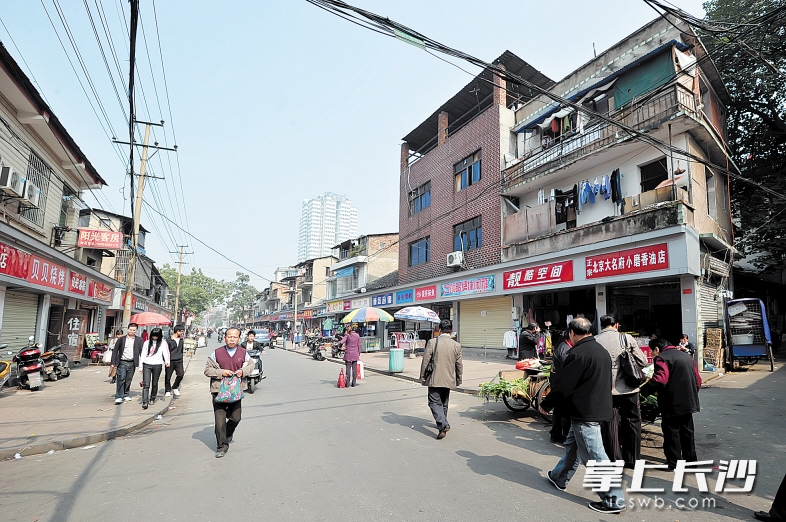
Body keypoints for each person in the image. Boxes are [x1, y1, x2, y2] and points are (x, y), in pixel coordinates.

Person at [542, 317, 626, 514]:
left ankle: (613, 498)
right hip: (596, 408)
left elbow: (563, 385)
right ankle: (559, 477)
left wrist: (546, 404)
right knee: (572, 446)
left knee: (595, 456)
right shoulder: (601, 351)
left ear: (572, 333)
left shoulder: (578, 353)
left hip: (585, 412)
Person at [595, 314, 648, 469]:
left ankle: (614, 458)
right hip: (629, 389)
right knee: (632, 422)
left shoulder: (596, 341)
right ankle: (632, 460)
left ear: (601, 326)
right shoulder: (627, 339)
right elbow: (643, 361)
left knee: (610, 423)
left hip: (606, 390)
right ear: (616, 325)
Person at [649, 337, 702, 470]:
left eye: (652, 351)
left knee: (672, 432)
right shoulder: (687, 356)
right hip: (688, 400)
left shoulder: (662, 358)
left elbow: (660, 380)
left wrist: (646, 388)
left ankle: (674, 462)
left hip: (671, 401)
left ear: (657, 349)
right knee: (687, 432)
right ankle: (691, 461)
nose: (652, 354)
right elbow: (698, 380)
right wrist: (692, 393)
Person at [204, 327, 254, 458]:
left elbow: (251, 365)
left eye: (235, 337)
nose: (232, 339)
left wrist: (243, 372)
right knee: (219, 422)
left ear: (239, 338)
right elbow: (207, 370)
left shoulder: (243, 353)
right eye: (229, 337)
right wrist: (221, 373)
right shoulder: (216, 353)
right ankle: (222, 446)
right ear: (225, 338)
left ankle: (228, 432)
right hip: (219, 391)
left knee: (236, 418)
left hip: (236, 391)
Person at [419, 319, 463, 440]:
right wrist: (459, 378)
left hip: (435, 377)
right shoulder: (456, 345)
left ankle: (443, 424)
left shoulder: (432, 342)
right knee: (444, 402)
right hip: (449, 378)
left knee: (433, 402)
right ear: (452, 330)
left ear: (439, 329)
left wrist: (422, 376)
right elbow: (459, 364)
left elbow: (425, 361)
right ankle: (442, 423)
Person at [110, 323, 144, 405]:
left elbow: (142, 352)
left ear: (136, 331)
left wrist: (142, 364)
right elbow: (115, 351)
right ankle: (119, 396)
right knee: (121, 378)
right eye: (130, 329)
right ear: (127, 329)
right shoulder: (121, 339)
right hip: (122, 362)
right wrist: (113, 363)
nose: (132, 331)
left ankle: (126, 394)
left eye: (134, 330)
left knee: (128, 380)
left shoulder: (139, 340)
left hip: (132, 362)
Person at [549, 333, 573, 444]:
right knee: (563, 412)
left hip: (556, 382)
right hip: (560, 384)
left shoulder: (563, 346)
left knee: (558, 411)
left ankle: (556, 434)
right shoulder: (565, 349)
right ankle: (563, 435)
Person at [138, 328, 170, 409]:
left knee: (154, 383)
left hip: (157, 365)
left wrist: (167, 361)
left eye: (156, 336)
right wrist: (140, 366)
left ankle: (152, 398)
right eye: (153, 336)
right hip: (147, 365)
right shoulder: (146, 343)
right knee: (146, 384)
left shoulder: (163, 343)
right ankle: (145, 401)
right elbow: (143, 355)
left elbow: (166, 352)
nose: (154, 338)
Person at [165, 324, 186, 397]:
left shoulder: (181, 339)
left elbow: (181, 349)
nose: (182, 333)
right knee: (168, 376)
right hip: (170, 360)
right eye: (182, 331)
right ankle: (167, 390)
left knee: (181, 374)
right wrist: (165, 360)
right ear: (177, 331)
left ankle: (175, 387)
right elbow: (165, 350)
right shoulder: (168, 340)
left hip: (179, 360)